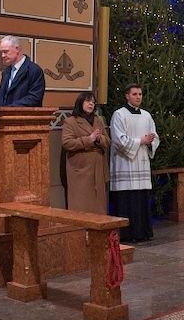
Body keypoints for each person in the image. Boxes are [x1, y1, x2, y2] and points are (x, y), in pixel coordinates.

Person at [110, 84, 160, 243]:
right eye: (134, 94)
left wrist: (151, 142)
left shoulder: (146, 115)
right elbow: (118, 140)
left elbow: (154, 136)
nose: (138, 97)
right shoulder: (119, 114)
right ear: (127, 96)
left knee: (141, 200)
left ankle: (142, 232)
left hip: (142, 162)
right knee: (127, 200)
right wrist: (141, 141)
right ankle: (126, 234)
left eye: (140, 94)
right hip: (125, 163)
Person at [61, 92, 110, 214]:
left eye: (93, 102)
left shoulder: (98, 120)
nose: (91, 104)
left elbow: (108, 141)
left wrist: (99, 139)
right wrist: (89, 139)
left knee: (98, 204)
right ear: (80, 103)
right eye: (88, 101)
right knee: (82, 203)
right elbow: (67, 143)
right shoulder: (70, 122)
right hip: (81, 169)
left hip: (98, 168)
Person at [0, 35, 45, 107]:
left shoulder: (34, 70)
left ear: (17, 49)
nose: (2, 55)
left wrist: (9, 108)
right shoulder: (6, 72)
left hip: (23, 114)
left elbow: (34, 98)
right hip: (5, 113)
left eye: (5, 51)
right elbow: (0, 96)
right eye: (2, 52)